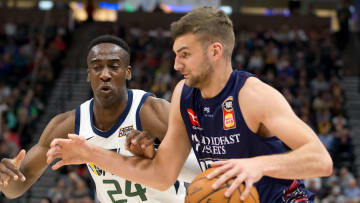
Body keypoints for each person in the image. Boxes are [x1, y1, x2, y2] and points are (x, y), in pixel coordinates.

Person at [46, 7, 333, 202]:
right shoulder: (185, 95)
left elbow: (321, 160)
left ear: (215, 51)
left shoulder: (253, 95)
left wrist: (256, 166)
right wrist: (90, 153)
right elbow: (161, 175)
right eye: (175, 54)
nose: (176, 64)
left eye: (184, 54)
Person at [0, 35, 200, 202]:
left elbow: (204, 162)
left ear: (127, 72)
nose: (105, 74)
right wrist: (6, 178)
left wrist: (155, 156)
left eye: (114, 67)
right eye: (97, 67)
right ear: (88, 74)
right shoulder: (68, 124)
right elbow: (16, 188)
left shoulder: (151, 111)